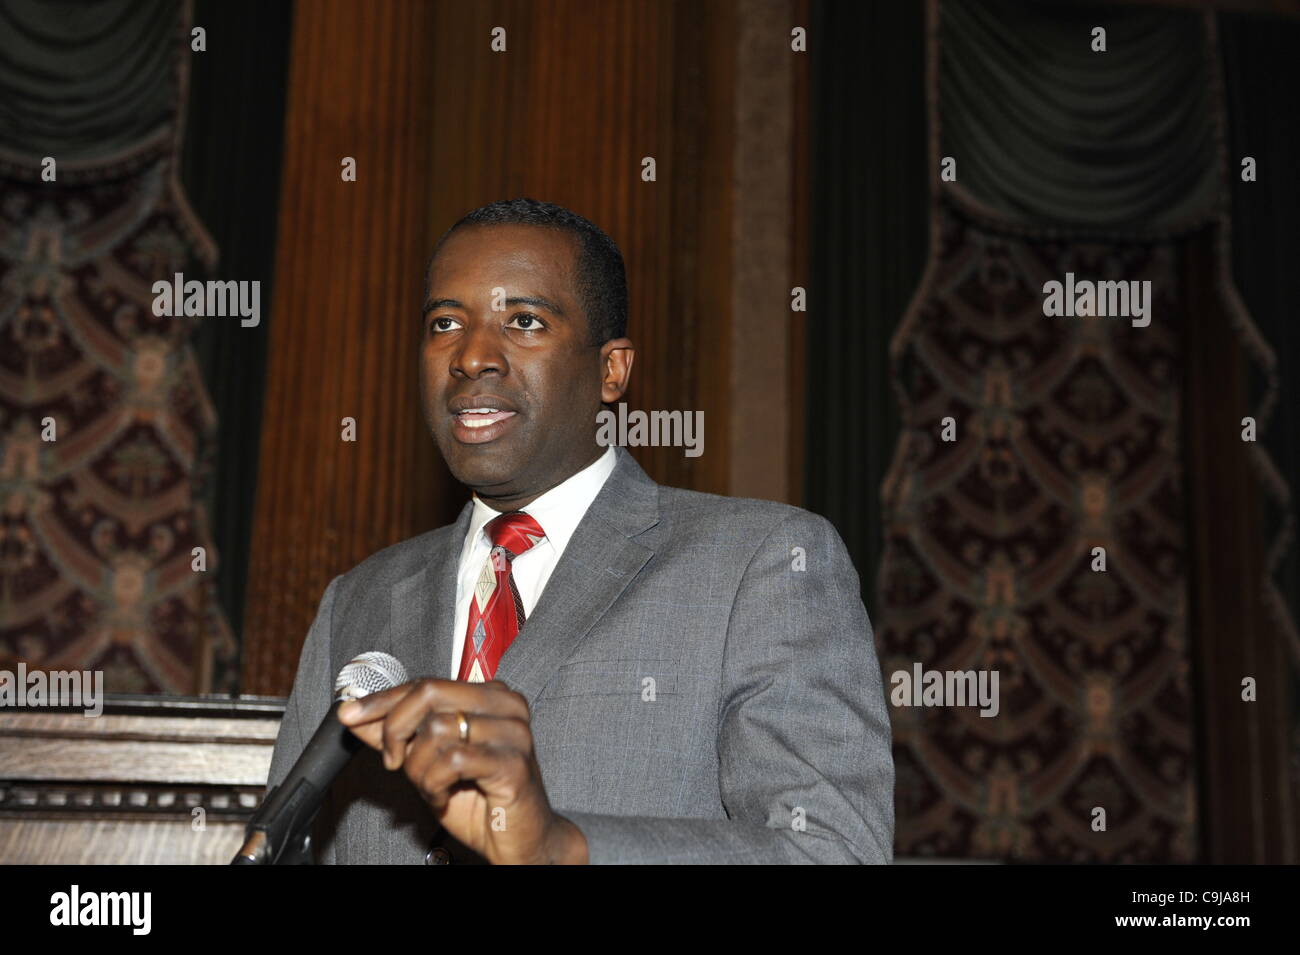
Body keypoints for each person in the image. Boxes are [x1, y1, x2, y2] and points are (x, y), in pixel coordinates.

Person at [266, 198, 894, 864]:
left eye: (525, 321)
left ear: (611, 370)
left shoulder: (760, 565)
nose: (472, 355)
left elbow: (833, 852)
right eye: (445, 322)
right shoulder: (356, 603)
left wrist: (561, 847)